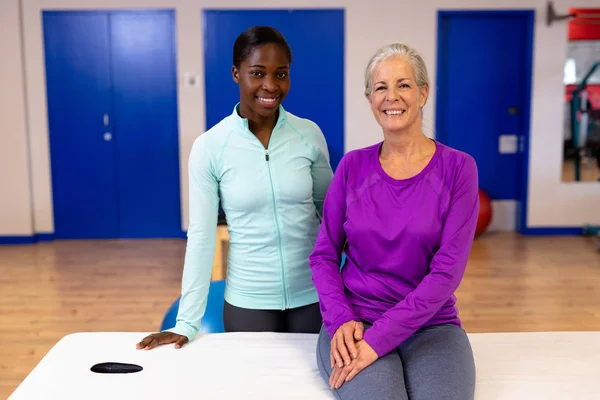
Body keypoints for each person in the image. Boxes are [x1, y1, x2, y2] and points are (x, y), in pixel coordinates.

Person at [136, 26, 333, 350]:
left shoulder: (308, 135)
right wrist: (186, 321)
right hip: (248, 301)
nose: (271, 85)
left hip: (313, 295)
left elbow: (334, 216)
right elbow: (201, 236)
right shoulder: (211, 147)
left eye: (280, 74)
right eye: (258, 73)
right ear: (236, 74)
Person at [309, 42, 479, 399]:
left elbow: (446, 274)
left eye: (403, 84)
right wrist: (340, 319)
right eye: (381, 87)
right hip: (356, 321)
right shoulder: (352, 167)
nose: (392, 96)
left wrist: (380, 340)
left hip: (432, 326)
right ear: (370, 98)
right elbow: (323, 255)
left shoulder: (458, 169)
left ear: (423, 93)